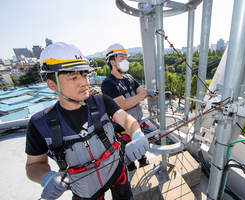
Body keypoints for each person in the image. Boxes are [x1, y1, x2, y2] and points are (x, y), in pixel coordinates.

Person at [25, 42, 150, 200]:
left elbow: (127, 120)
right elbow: (33, 165)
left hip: (116, 170)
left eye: (84, 75)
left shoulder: (102, 102)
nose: (84, 82)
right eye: (73, 77)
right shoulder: (40, 124)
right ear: (52, 84)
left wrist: (138, 135)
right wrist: (46, 177)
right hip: (85, 187)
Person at [101, 43, 158, 171]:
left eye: (126, 57)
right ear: (112, 61)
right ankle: (132, 172)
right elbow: (122, 104)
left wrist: (154, 93)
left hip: (137, 125)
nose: (125, 61)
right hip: (122, 130)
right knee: (129, 159)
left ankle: (143, 163)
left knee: (141, 153)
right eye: (122, 58)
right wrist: (143, 94)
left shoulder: (129, 78)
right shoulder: (108, 83)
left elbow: (142, 91)